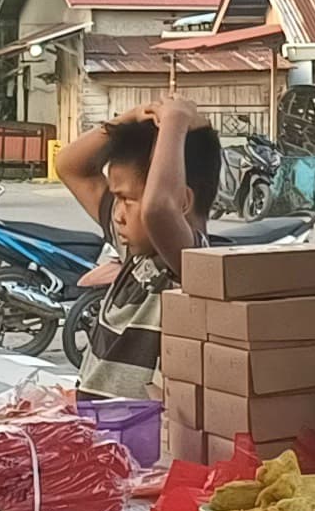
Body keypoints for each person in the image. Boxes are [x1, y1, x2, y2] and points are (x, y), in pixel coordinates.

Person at [58, 108, 215, 397]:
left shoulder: (186, 263)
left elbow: (157, 208)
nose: (117, 215)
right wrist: (131, 118)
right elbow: (69, 165)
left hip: (133, 435)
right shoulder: (134, 251)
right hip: (96, 430)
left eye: (126, 199)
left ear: (181, 201)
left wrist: (174, 122)